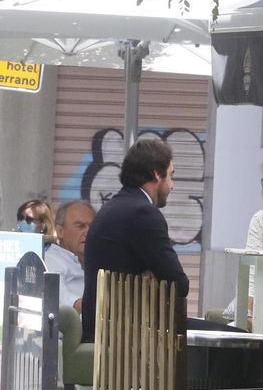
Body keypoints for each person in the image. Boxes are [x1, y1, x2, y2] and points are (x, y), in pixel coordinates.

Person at [80, 137, 187, 339]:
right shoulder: (143, 214)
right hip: (124, 339)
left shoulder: (111, 207)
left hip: (101, 330)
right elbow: (179, 284)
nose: (172, 185)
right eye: (171, 176)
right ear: (157, 174)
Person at [224, 151, 263, 327]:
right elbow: (251, 277)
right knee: (234, 328)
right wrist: (249, 320)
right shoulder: (260, 220)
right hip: (262, 307)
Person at [46, 199, 95, 311]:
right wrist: (85, 306)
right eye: (80, 226)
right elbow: (55, 292)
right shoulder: (52, 259)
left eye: (92, 226)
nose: (88, 232)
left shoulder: (94, 261)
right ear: (60, 231)